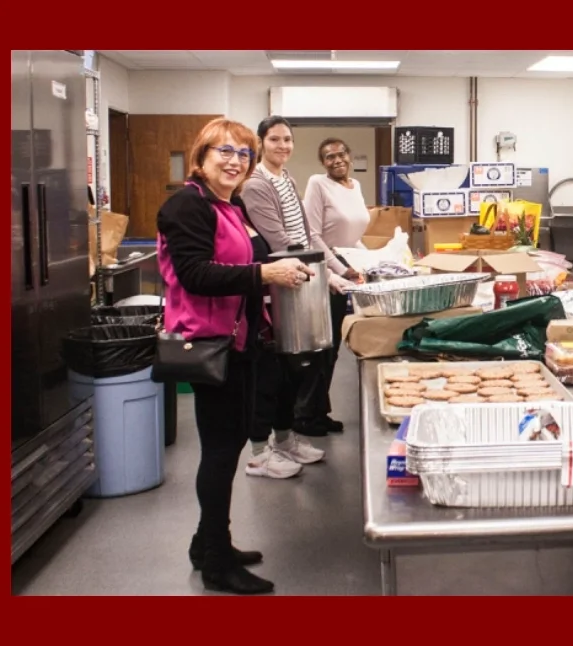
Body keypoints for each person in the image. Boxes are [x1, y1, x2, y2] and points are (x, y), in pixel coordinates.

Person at [156, 117, 314, 593]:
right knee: (221, 453)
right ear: (201, 156)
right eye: (223, 151)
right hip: (210, 344)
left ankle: (207, 543)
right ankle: (217, 562)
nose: (234, 161)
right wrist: (265, 275)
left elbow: (241, 261)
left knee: (229, 446)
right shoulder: (187, 206)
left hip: (242, 340)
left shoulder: (230, 203)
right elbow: (196, 275)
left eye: (243, 153)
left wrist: (269, 268)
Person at [241, 115, 337, 454]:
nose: (283, 146)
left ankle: (285, 440)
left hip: (300, 279)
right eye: (275, 140)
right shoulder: (256, 184)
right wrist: (321, 273)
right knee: (272, 374)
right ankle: (262, 450)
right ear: (260, 143)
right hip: (277, 286)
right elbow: (280, 241)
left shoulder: (286, 178)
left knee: (293, 371)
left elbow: (307, 234)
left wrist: (337, 268)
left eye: (287, 140)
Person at [302, 138, 368, 401]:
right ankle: (308, 413)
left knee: (333, 348)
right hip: (326, 274)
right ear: (323, 162)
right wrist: (341, 269)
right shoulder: (318, 184)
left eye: (342, 154)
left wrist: (373, 259)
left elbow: (353, 234)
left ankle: (320, 410)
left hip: (348, 270)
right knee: (322, 348)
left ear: (350, 156)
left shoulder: (356, 186)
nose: (337, 159)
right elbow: (313, 236)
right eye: (329, 157)